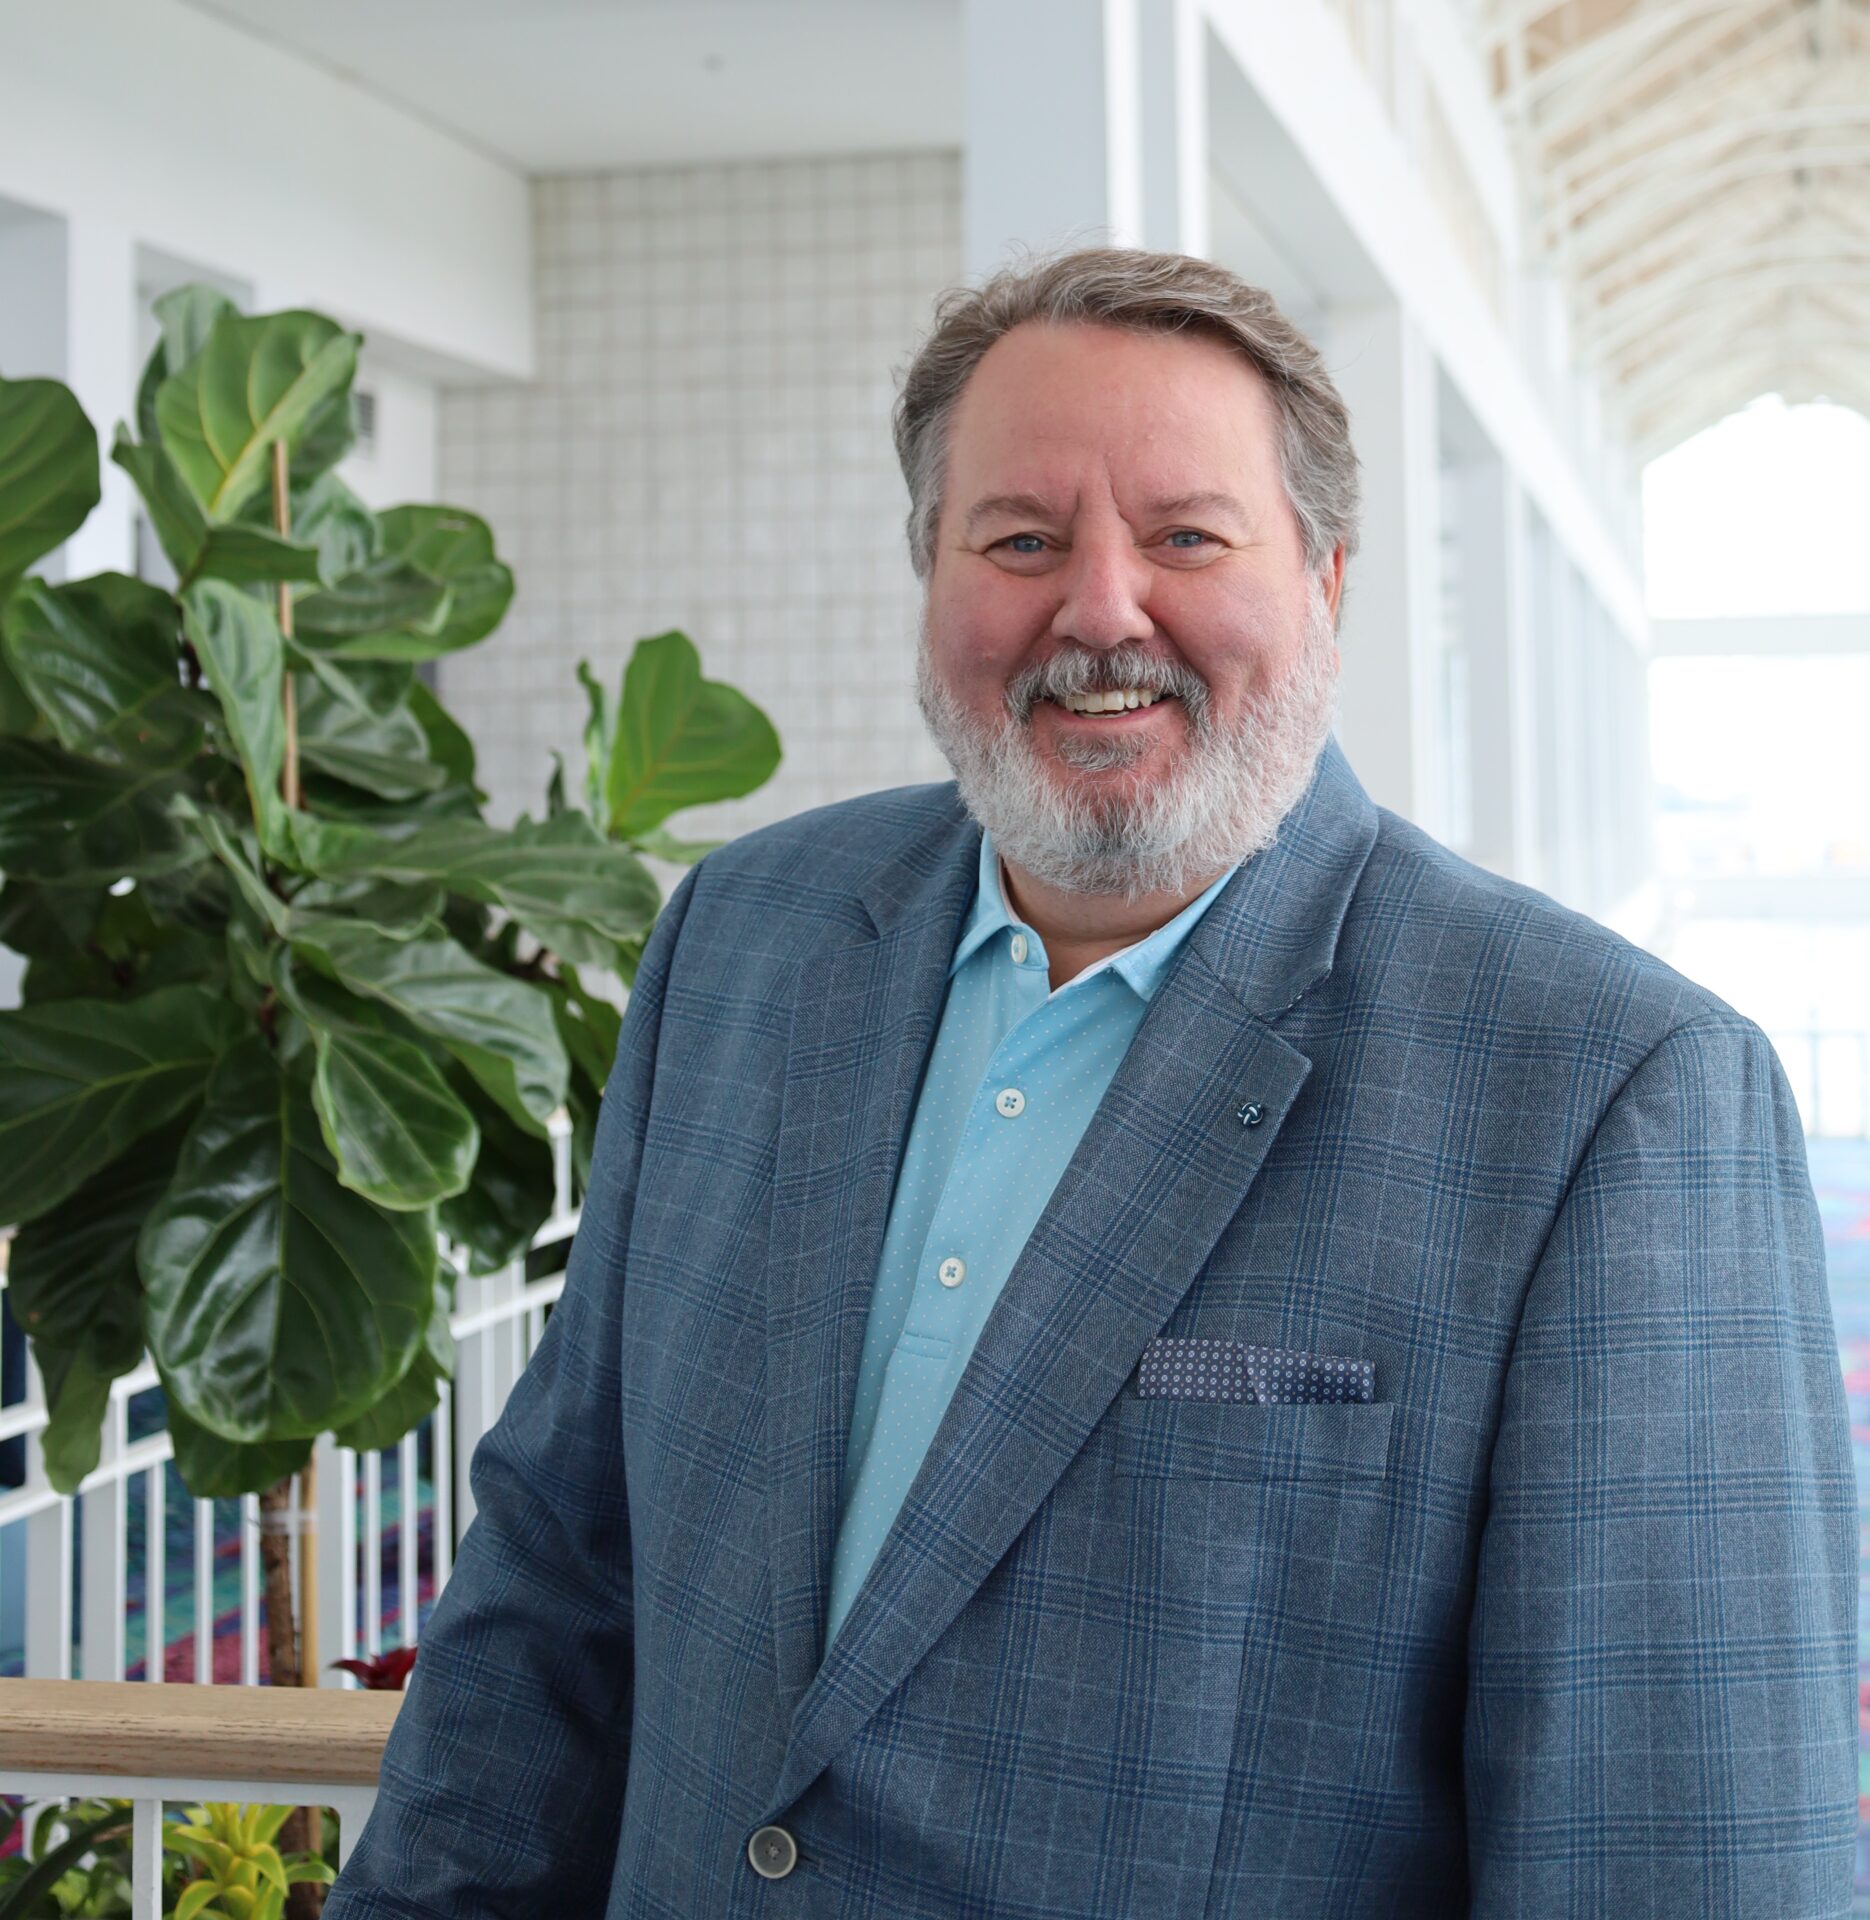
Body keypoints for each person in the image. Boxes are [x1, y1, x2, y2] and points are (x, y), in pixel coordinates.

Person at [325, 248, 1856, 1919]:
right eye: (1020, 540)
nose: (1101, 610)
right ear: (932, 574)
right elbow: (561, 1564)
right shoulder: (743, 945)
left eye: (1188, 537)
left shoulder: (1606, 1088)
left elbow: (1674, 1853)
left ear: (1327, 582)